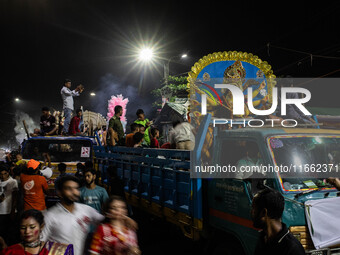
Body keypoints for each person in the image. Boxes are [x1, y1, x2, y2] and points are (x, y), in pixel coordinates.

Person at [41, 175, 104, 255]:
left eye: (76, 189)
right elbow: (40, 243)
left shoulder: (86, 210)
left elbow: (105, 221)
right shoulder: (50, 216)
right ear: (59, 193)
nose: (74, 192)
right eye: (69, 189)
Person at [251, 188, 305, 255]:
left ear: (264, 213)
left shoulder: (293, 249)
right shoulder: (263, 239)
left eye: (254, 209)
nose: (251, 213)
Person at [1, 209, 74, 255]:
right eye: (23, 228)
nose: (27, 231)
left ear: (41, 226)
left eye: (32, 227)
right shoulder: (10, 252)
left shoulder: (57, 250)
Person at [0, 164, 18, 246]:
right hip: (1, 212)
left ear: (8, 173)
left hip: (9, 211)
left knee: (9, 233)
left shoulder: (13, 182)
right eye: (1, 174)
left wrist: (13, 210)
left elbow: (15, 197)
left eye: (5, 174)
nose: (3, 176)